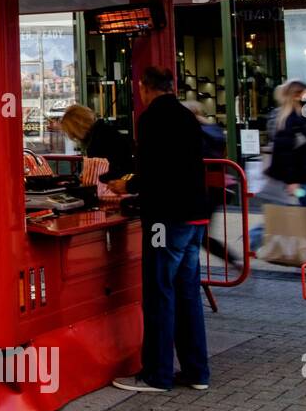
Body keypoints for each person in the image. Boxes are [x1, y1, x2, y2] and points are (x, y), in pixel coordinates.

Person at [106, 67, 210, 393]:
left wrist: (128, 185)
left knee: (158, 290)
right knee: (187, 292)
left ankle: (157, 373)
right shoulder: (187, 117)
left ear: (144, 87)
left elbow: (153, 172)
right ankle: (197, 371)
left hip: (163, 221)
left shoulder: (151, 119)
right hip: (195, 218)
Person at [247, 80, 306, 265]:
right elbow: (286, 153)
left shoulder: (305, 116)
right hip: (296, 180)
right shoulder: (284, 119)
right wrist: (291, 181)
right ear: (296, 95)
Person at [183, 100, 234, 264]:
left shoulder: (195, 134)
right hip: (215, 187)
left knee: (196, 236)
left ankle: (233, 260)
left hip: (201, 189)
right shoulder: (214, 130)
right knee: (199, 234)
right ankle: (233, 261)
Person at [59, 103, 133, 180]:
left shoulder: (96, 141)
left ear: (77, 128)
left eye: (72, 133)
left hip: (117, 185)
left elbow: (101, 174)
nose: (74, 137)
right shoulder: (105, 130)